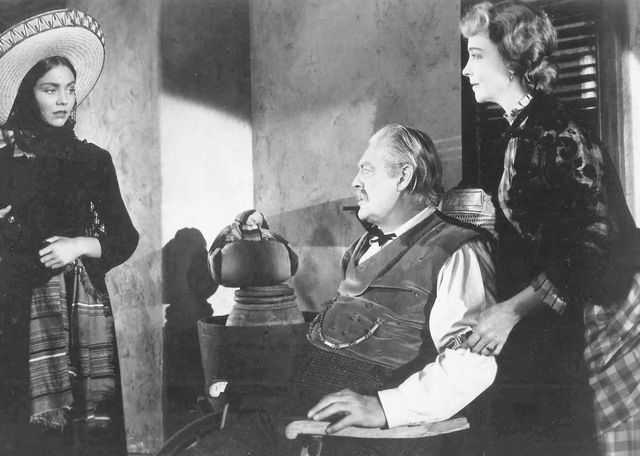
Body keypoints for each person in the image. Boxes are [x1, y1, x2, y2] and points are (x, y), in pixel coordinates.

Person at [184, 124, 497, 456]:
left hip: (358, 438)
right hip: (294, 415)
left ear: (404, 177)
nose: (355, 182)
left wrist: (385, 407)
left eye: (367, 169)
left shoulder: (455, 249)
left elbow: (473, 363)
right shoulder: (361, 247)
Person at [460, 2, 640, 455]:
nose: (466, 69)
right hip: (565, 309)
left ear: (512, 62)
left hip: (608, 317)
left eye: (477, 56)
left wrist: (510, 312)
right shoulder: (523, 128)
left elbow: (591, 247)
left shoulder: (556, 131)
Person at [0, 9, 138, 455]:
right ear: (27, 94)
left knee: (84, 437)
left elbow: (125, 238)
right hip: (16, 313)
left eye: (70, 88)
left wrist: (78, 244)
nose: (63, 100)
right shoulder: (4, 160)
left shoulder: (93, 160)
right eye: (50, 89)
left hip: (82, 312)